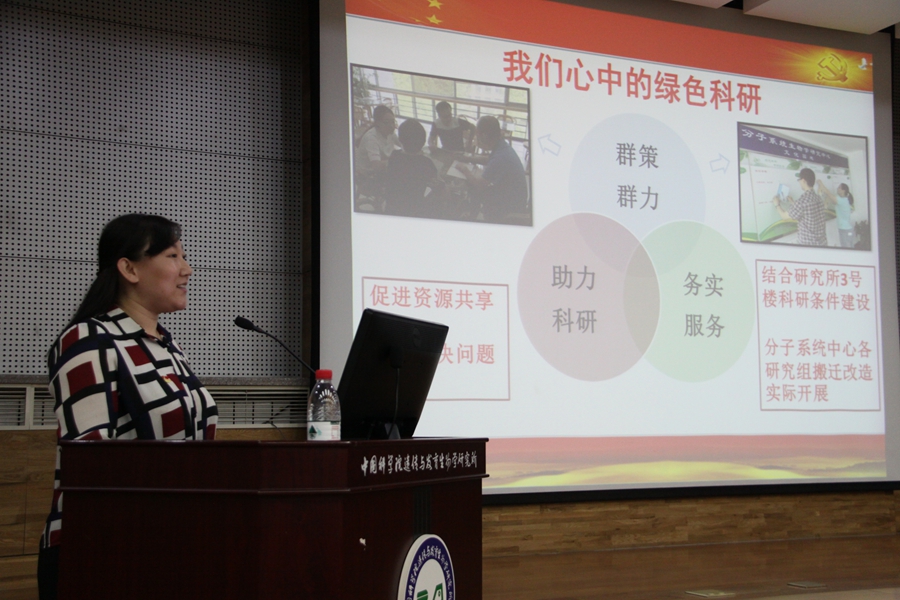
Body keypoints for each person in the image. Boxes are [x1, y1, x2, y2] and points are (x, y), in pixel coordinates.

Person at [37, 214, 218, 600]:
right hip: (102, 552)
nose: (187, 269)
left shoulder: (166, 345)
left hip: (170, 546)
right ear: (129, 269)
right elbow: (90, 465)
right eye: (173, 256)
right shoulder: (89, 340)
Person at [457, 115, 529, 223]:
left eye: (477, 134)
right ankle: (473, 215)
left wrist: (464, 169)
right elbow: (489, 159)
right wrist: (468, 158)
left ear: (484, 135)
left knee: (474, 187)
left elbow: (479, 184)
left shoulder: (501, 157)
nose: (477, 137)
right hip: (514, 196)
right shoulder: (502, 146)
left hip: (511, 204)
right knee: (475, 187)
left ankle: (472, 218)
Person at [385, 118, 441, 217]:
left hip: (392, 209)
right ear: (423, 141)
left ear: (400, 139)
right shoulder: (427, 163)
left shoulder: (394, 156)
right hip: (414, 211)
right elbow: (437, 187)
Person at [773, 167, 826, 246]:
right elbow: (806, 212)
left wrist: (777, 204)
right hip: (822, 243)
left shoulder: (802, 202)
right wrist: (793, 202)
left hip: (808, 245)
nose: (799, 182)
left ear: (803, 180)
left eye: (799, 180)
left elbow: (784, 216)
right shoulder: (818, 198)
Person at [355, 104, 399, 174]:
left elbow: (404, 144)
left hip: (381, 170)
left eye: (393, 122)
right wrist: (397, 160)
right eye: (386, 122)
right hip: (366, 173)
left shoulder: (390, 133)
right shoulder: (371, 138)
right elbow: (376, 166)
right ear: (378, 123)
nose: (391, 126)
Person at [817, 181, 855, 248]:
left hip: (845, 231)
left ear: (843, 190)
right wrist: (826, 201)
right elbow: (831, 197)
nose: (837, 188)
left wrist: (820, 183)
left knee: (847, 250)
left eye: (839, 187)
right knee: (849, 248)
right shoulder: (843, 199)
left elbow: (828, 193)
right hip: (846, 230)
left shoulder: (842, 200)